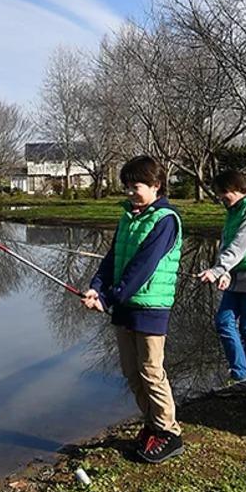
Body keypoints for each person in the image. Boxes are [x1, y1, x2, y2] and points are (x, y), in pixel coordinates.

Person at [82, 155, 185, 463]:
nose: (130, 192)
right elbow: (112, 258)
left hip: (151, 307)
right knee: (131, 371)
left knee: (151, 371)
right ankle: (152, 424)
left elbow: (143, 267)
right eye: (126, 186)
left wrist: (109, 298)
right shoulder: (129, 217)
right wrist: (96, 287)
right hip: (125, 305)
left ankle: (169, 433)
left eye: (136, 186)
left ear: (156, 185)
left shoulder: (166, 219)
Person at [197, 169, 246, 396]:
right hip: (237, 276)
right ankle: (242, 376)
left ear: (238, 189)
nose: (221, 198)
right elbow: (227, 243)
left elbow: (243, 242)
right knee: (223, 321)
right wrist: (224, 273)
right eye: (218, 194)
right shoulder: (234, 211)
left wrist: (217, 269)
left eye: (224, 193)